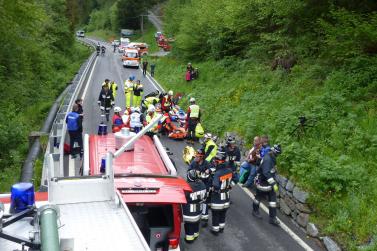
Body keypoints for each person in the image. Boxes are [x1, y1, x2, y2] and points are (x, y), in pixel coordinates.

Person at [252, 144, 282, 226]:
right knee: (258, 197)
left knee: (273, 201)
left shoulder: (271, 157)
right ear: (274, 152)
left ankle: (272, 218)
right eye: (277, 154)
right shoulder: (268, 159)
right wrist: (273, 183)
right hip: (262, 181)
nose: (277, 156)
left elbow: (271, 170)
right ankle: (255, 211)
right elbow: (266, 172)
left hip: (268, 182)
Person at [210, 149, 233, 235]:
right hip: (226, 198)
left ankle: (215, 231)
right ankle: (221, 229)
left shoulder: (218, 173)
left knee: (216, 215)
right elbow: (236, 179)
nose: (215, 162)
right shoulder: (229, 170)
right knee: (223, 214)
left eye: (216, 161)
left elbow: (215, 185)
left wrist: (212, 187)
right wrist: (229, 186)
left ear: (219, 161)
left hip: (217, 199)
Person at [182, 169, 207, 243]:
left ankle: (189, 239)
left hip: (189, 211)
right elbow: (205, 196)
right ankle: (195, 235)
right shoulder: (202, 184)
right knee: (196, 223)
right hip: (199, 209)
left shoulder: (187, 186)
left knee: (189, 225)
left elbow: (183, 198)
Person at [189, 149, 212, 226]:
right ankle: (196, 217)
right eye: (196, 155)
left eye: (198, 156)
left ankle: (205, 219)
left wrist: (209, 170)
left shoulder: (207, 164)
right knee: (196, 201)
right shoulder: (193, 163)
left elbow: (212, 170)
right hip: (196, 186)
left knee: (204, 202)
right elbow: (189, 172)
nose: (196, 157)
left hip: (205, 186)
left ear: (202, 157)